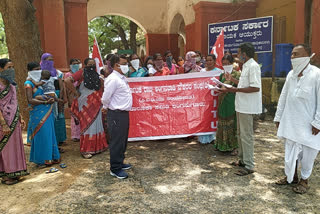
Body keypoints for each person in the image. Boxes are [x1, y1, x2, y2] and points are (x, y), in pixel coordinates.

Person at [274, 44, 320, 194]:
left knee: (308, 154)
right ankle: (291, 176)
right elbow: (283, 97)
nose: (292, 57)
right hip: (291, 122)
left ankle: (304, 180)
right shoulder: (291, 74)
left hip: (309, 125)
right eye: (292, 54)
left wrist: (318, 122)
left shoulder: (317, 74)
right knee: (290, 151)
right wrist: (278, 117)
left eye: (296, 54)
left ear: (308, 56)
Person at [219, 43, 262, 176]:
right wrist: (231, 79)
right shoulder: (246, 66)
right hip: (241, 105)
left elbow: (255, 87)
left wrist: (234, 89)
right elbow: (244, 84)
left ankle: (249, 165)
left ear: (244, 54)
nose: (237, 56)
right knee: (240, 134)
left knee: (246, 136)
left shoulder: (253, 66)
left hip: (247, 107)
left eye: (238, 53)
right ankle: (242, 160)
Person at [64, 58, 108, 159]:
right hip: (85, 104)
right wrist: (75, 93)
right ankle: (86, 150)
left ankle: (98, 147)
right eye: (89, 65)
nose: (91, 67)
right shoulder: (81, 73)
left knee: (97, 125)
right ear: (85, 65)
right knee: (87, 126)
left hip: (96, 104)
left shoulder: (97, 75)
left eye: (93, 65)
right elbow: (67, 81)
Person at [101, 54, 133, 179]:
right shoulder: (113, 79)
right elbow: (105, 97)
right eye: (124, 64)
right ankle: (115, 168)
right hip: (116, 114)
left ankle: (120, 162)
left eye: (126, 63)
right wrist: (105, 106)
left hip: (123, 114)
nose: (126, 66)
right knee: (117, 141)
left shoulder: (121, 78)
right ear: (116, 65)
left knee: (123, 140)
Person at [25, 61, 60, 167]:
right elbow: (30, 100)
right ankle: (41, 160)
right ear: (30, 71)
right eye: (35, 70)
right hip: (37, 113)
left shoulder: (42, 81)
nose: (38, 71)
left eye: (39, 69)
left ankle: (52, 157)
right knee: (41, 134)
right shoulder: (28, 83)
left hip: (48, 111)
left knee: (49, 134)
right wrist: (45, 101)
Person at [0, 58, 29, 185]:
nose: (12, 70)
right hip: (4, 123)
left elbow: (15, 104)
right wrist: (3, 123)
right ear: (1, 69)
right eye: (8, 67)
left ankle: (16, 172)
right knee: (6, 148)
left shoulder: (12, 85)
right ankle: (7, 175)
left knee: (15, 147)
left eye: (13, 67)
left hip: (15, 120)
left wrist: (21, 117)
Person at [214, 55, 241, 155]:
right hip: (222, 100)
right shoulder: (222, 75)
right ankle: (221, 144)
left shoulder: (237, 74)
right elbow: (221, 85)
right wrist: (217, 88)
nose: (226, 66)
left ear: (232, 63)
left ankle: (234, 147)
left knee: (232, 122)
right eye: (224, 64)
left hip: (232, 100)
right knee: (222, 121)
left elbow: (239, 87)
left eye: (228, 64)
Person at [40, 53, 67, 146]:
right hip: (46, 98)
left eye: (52, 59)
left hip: (58, 95)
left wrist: (62, 96)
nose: (50, 62)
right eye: (48, 60)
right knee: (50, 117)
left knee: (59, 116)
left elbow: (61, 85)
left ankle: (60, 138)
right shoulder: (40, 73)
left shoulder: (57, 72)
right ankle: (52, 139)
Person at [198, 54, 223, 144]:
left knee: (214, 116)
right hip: (204, 98)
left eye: (210, 60)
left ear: (215, 61)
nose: (208, 62)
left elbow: (221, 84)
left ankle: (213, 137)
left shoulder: (219, 72)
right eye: (207, 60)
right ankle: (204, 137)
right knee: (205, 117)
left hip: (215, 97)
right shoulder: (202, 71)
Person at [64, 58, 81, 142]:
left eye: (78, 63)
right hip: (72, 96)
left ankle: (81, 133)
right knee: (74, 116)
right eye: (74, 63)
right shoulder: (67, 75)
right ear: (70, 65)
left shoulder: (80, 74)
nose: (76, 65)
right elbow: (66, 87)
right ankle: (75, 135)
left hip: (80, 96)